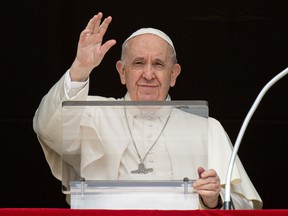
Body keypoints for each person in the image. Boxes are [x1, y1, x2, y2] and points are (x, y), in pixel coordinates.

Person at [33, 12, 262, 209]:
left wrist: (214, 200)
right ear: (122, 72)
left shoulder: (207, 129)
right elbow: (47, 128)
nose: (149, 74)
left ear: (173, 75)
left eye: (159, 65)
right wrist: (80, 69)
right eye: (138, 63)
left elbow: (245, 205)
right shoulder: (91, 114)